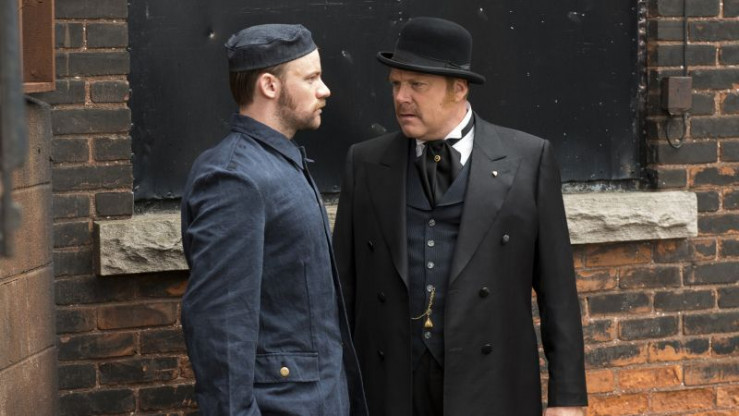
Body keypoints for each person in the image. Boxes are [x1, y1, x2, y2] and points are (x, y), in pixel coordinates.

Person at [333, 17, 588, 416]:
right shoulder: (364, 162)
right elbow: (342, 290)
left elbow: (558, 291)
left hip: (491, 386)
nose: (401, 97)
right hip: (390, 385)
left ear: (459, 88)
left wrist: (567, 399)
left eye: (417, 85)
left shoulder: (528, 159)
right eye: (396, 84)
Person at [180, 24, 367, 416]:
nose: (324, 90)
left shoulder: (278, 162)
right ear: (269, 85)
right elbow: (221, 327)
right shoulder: (234, 178)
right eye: (311, 78)